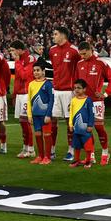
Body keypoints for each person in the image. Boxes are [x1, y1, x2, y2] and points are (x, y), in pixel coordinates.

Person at [76, 42, 111, 165]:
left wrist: (105, 94)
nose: (82, 56)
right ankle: (91, 155)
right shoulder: (79, 64)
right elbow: (77, 82)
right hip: (83, 102)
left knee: (99, 127)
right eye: (81, 54)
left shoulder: (101, 63)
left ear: (91, 50)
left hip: (96, 102)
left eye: (84, 53)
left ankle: (105, 152)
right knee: (86, 130)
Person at [48, 27, 81, 161]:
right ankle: (52, 150)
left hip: (69, 91)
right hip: (56, 90)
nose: (53, 36)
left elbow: (80, 67)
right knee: (53, 120)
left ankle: (71, 150)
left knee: (69, 121)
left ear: (63, 35)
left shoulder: (74, 51)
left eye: (55, 34)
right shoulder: (52, 50)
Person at [10, 40, 36, 159]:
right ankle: (25, 147)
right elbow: (17, 80)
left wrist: (17, 62)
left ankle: (31, 149)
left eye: (13, 50)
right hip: (20, 95)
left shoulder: (30, 59)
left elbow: (24, 75)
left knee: (26, 122)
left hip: (27, 94)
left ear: (20, 50)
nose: (11, 53)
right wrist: (14, 95)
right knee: (22, 122)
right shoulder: (19, 60)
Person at [27, 62, 54, 165]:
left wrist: (48, 115)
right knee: (38, 135)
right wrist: (29, 115)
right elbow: (29, 100)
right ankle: (40, 156)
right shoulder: (31, 84)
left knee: (47, 135)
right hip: (35, 115)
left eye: (38, 70)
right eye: (34, 70)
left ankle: (47, 157)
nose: (36, 72)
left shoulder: (48, 84)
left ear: (43, 71)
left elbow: (51, 100)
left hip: (45, 115)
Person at [68, 79, 95, 168]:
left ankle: (88, 161)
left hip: (86, 128)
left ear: (84, 89)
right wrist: (70, 124)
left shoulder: (88, 100)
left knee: (87, 145)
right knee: (77, 145)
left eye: (79, 88)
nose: (76, 90)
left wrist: (90, 125)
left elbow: (91, 114)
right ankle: (77, 160)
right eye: (75, 88)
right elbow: (71, 113)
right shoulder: (73, 100)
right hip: (76, 128)